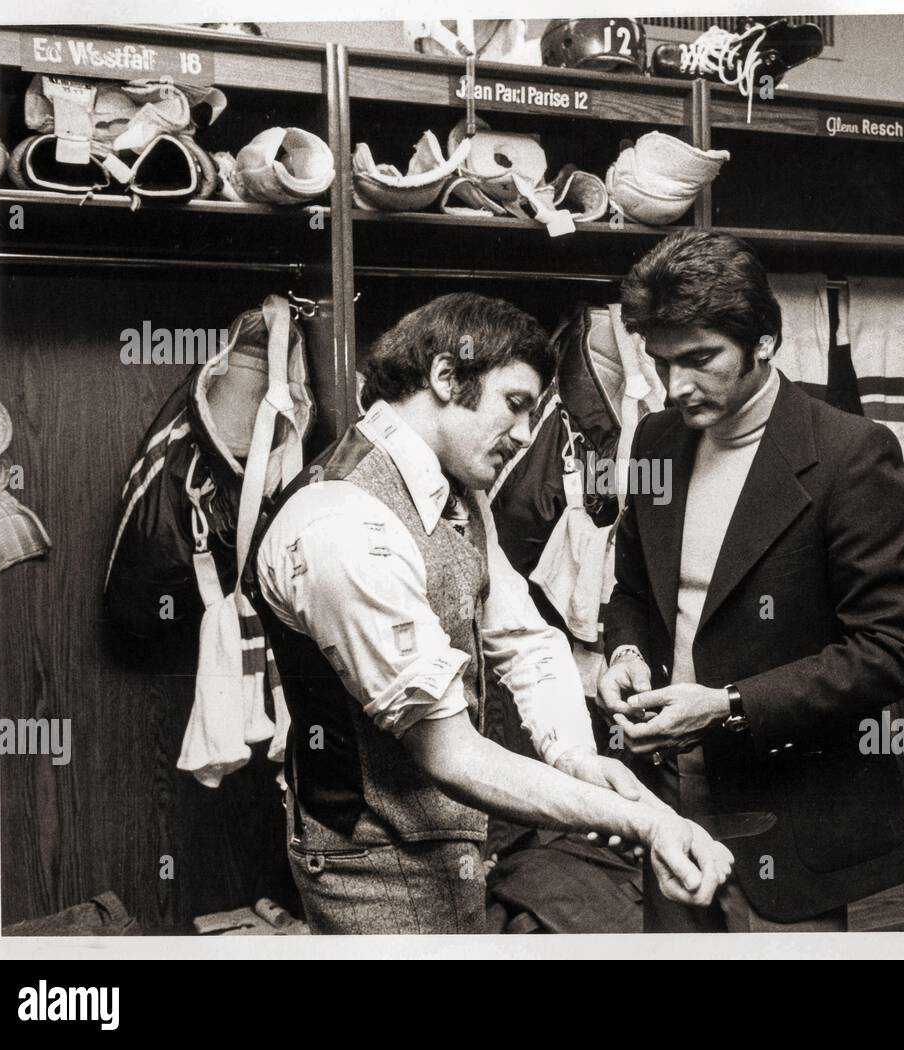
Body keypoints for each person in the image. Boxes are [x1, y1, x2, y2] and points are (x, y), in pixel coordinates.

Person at [242, 292, 732, 934]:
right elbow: (452, 755)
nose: (528, 433)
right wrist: (640, 819)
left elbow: (525, 640)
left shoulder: (452, 487)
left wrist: (579, 762)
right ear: (447, 377)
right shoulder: (342, 524)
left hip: (449, 841)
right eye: (516, 404)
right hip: (369, 861)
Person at [598, 230, 904, 932]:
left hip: (788, 817)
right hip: (667, 802)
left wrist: (726, 705)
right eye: (661, 363)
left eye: (700, 360)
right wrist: (625, 656)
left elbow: (895, 650)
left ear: (766, 341)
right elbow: (632, 590)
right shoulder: (655, 440)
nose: (676, 386)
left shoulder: (852, 455)